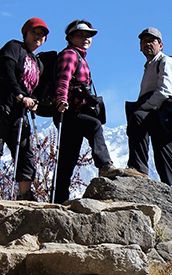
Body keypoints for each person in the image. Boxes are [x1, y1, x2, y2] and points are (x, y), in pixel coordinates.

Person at [52, 19, 128, 204]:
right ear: (70, 37)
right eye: (80, 35)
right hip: (69, 110)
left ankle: (58, 199)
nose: (86, 38)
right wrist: (61, 99)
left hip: (70, 111)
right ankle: (104, 165)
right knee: (93, 125)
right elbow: (63, 79)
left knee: (68, 158)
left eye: (88, 35)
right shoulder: (70, 55)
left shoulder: (79, 57)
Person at [0, 18, 48, 203]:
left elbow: (32, 88)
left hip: (20, 109)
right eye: (34, 32)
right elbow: (7, 70)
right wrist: (19, 94)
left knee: (25, 149)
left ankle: (24, 192)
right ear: (25, 33)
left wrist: (33, 101)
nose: (38, 36)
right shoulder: (13, 47)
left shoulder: (37, 63)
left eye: (42, 34)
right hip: (0, 101)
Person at [126, 27, 172, 189]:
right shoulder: (150, 65)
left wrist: (144, 107)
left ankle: (138, 168)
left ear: (161, 45)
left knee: (164, 154)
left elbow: (166, 90)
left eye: (152, 41)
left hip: (165, 113)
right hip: (159, 113)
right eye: (144, 41)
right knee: (163, 157)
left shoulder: (166, 62)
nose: (147, 44)